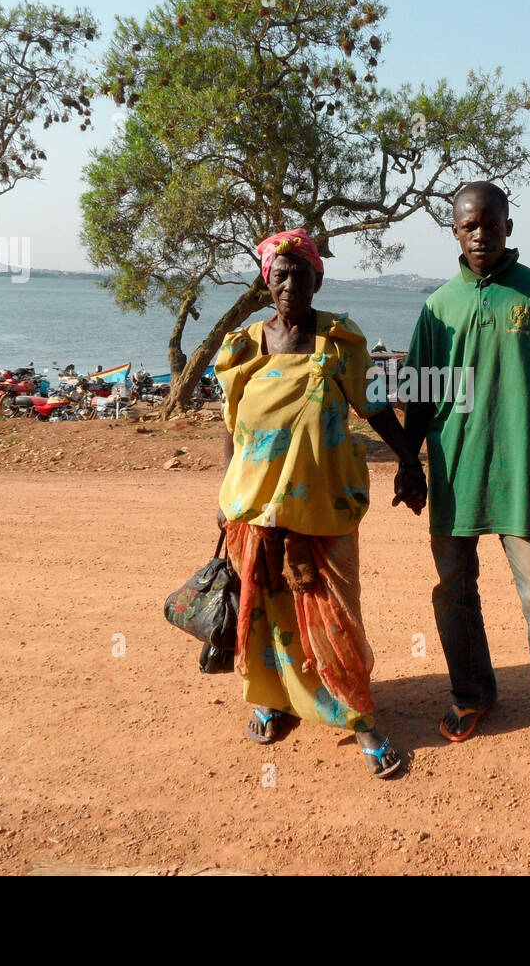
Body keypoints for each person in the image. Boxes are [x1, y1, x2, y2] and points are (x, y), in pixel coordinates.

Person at [213, 227, 427, 779]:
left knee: (334, 616)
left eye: (300, 274)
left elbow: (375, 408)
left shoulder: (339, 342)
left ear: (318, 278)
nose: (290, 285)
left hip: (324, 508)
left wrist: (410, 461)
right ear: (267, 281)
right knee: (267, 611)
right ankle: (272, 698)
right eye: (279, 275)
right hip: (254, 510)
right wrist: (226, 497)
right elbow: (236, 434)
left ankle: (359, 717)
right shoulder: (241, 349)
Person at [402, 181, 530, 767]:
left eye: (490, 223)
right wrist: (409, 464)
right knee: (453, 592)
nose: (480, 234)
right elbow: (418, 392)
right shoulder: (438, 306)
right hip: (455, 477)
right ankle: (471, 693)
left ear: (509, 226)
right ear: (454, 232)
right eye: (468, 225)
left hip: (524, 474)